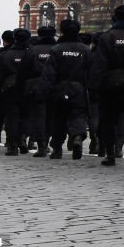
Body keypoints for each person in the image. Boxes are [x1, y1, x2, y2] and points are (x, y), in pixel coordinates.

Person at [90, 4, 124, 167]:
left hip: (110, 84)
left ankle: (110, 154)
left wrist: (94, 87)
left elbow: (99, 64)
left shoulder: (107, 37)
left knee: (109, 120)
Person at [47, 18, 90, 160]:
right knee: (78, 115)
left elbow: (49, 73)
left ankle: (57, 148)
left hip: (60, 87)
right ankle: (77, 136)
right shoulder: (85, 49)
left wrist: (47, 89)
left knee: (59, 118)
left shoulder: (56, 49)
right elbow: (91, 71)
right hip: (79, 88)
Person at [18, 24, 58, 157]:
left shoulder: (32, 50)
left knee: (38, 116)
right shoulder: (57, 49)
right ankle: (50, 142)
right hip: (55, 86)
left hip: (35, 86)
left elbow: (23, 71)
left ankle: (41, 145)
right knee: (53, 116)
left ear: (39, 35)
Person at [0, 28, 32, 156]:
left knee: (11, 119)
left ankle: (12, 145)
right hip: (28, 89)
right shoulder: (32, 53)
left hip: (10, 90)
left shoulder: (5, 55)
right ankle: (23, 139)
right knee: (26, 116)